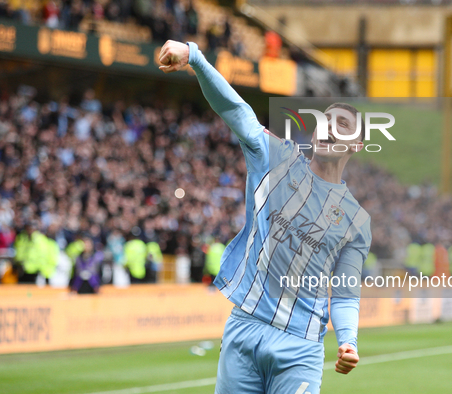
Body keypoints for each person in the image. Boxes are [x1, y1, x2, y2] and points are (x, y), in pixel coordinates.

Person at [159, 40, 372, 394]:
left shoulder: (356, 220)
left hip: (299, 346)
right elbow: (237, 111)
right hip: (244, 328)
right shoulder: (276, 160)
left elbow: (346, 292)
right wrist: (195, 58)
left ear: (357, 144)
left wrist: (348, 340)